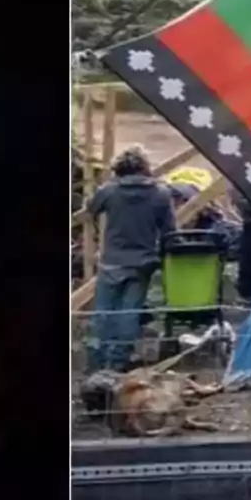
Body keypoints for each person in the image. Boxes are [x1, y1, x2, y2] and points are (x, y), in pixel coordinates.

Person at [85, 146, 175, 372]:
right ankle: (118, 362)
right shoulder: (161, 194)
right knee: (129, 313)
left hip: (112, 260)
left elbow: (90, 209)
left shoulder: (109, 191)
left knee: (104, 311)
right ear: (145, 167)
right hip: (142, 262)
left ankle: (98, 362)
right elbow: (169, 231)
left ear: (118, 168)